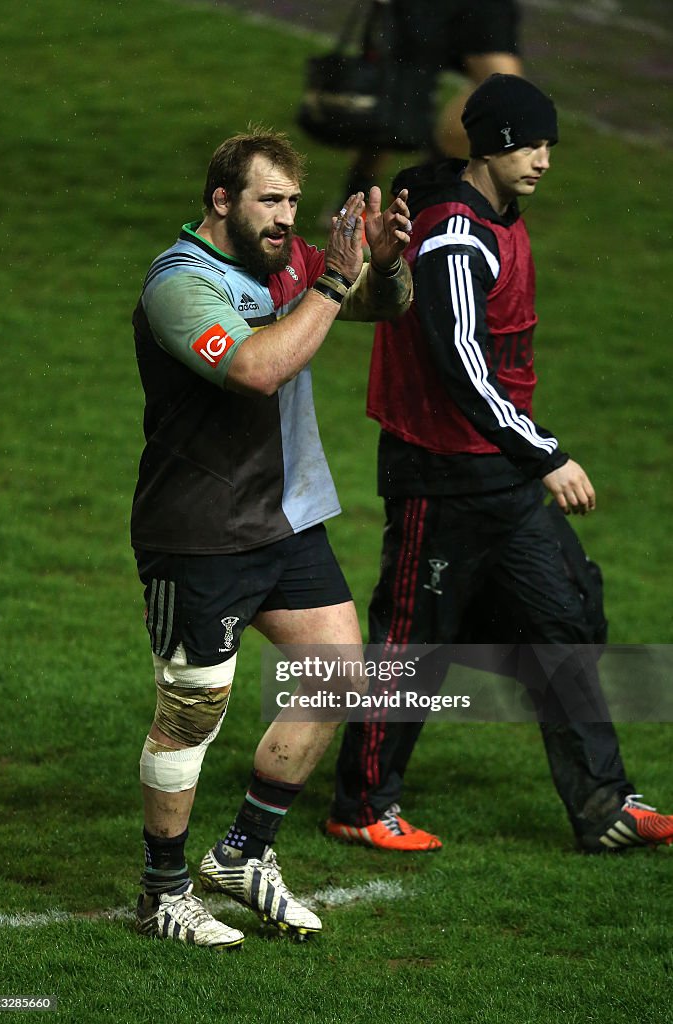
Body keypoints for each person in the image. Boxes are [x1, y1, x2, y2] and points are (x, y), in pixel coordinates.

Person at [325, 75, 673, 855]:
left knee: (566, 616)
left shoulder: (496, 215)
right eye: (525, 144)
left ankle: (604, 805)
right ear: (486, 146)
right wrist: (544, 452)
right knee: (414, 642)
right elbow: (459, 359)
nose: (542, 160)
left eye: (548, 144)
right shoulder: (454, 233)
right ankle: (361, 803)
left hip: (496, 474)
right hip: (441, 477)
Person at [130, 127, 413, 948]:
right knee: (191, 714)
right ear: (222, 200)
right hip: (201, 531)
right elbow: (257, 367)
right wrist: (331, 278)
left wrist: (384, 263)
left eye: (293, 200)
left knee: (337, 678)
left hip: (286, 517)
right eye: (269, 200)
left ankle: (244, 853)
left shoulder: (289, 263)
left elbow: (383, 307)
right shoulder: (179, 284)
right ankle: (162, 892)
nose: (286, 216)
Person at [342, 0, 523, 205]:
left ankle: (418, 192)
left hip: (481, 7)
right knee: (394, 103)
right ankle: (357, 199)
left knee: (504, 88)